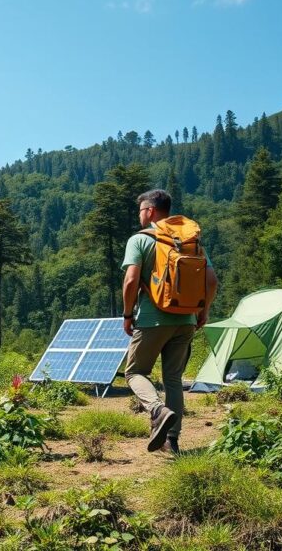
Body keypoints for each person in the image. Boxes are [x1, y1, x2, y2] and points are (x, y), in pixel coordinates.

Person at [121, 189, 218, 454]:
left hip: (153, 319)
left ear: (150, 211)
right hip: (186, 319)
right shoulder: (191, 242)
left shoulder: (140, 240)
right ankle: (171, 441)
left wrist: (128, 314)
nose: (139, 215)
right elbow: (212, 281)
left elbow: (131, 280)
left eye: (141, 210)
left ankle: (157, 410)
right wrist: (203, 312)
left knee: (135, 372)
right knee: (173, 379)